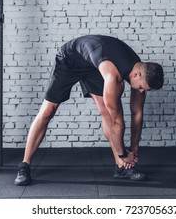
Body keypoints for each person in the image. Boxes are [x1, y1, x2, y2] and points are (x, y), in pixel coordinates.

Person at [14, 35, 164, 185]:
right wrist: (124, 154)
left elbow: (137, 113)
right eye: (141, 88)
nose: (141, 92)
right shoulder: (113, 77)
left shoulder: (140, 70)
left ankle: (121, 167)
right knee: (48, 111)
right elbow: (117, 122)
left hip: (93, 67)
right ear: (137, 75)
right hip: (70, 60)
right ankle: (24, 166)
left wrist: (134, 149)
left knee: (105, 111)